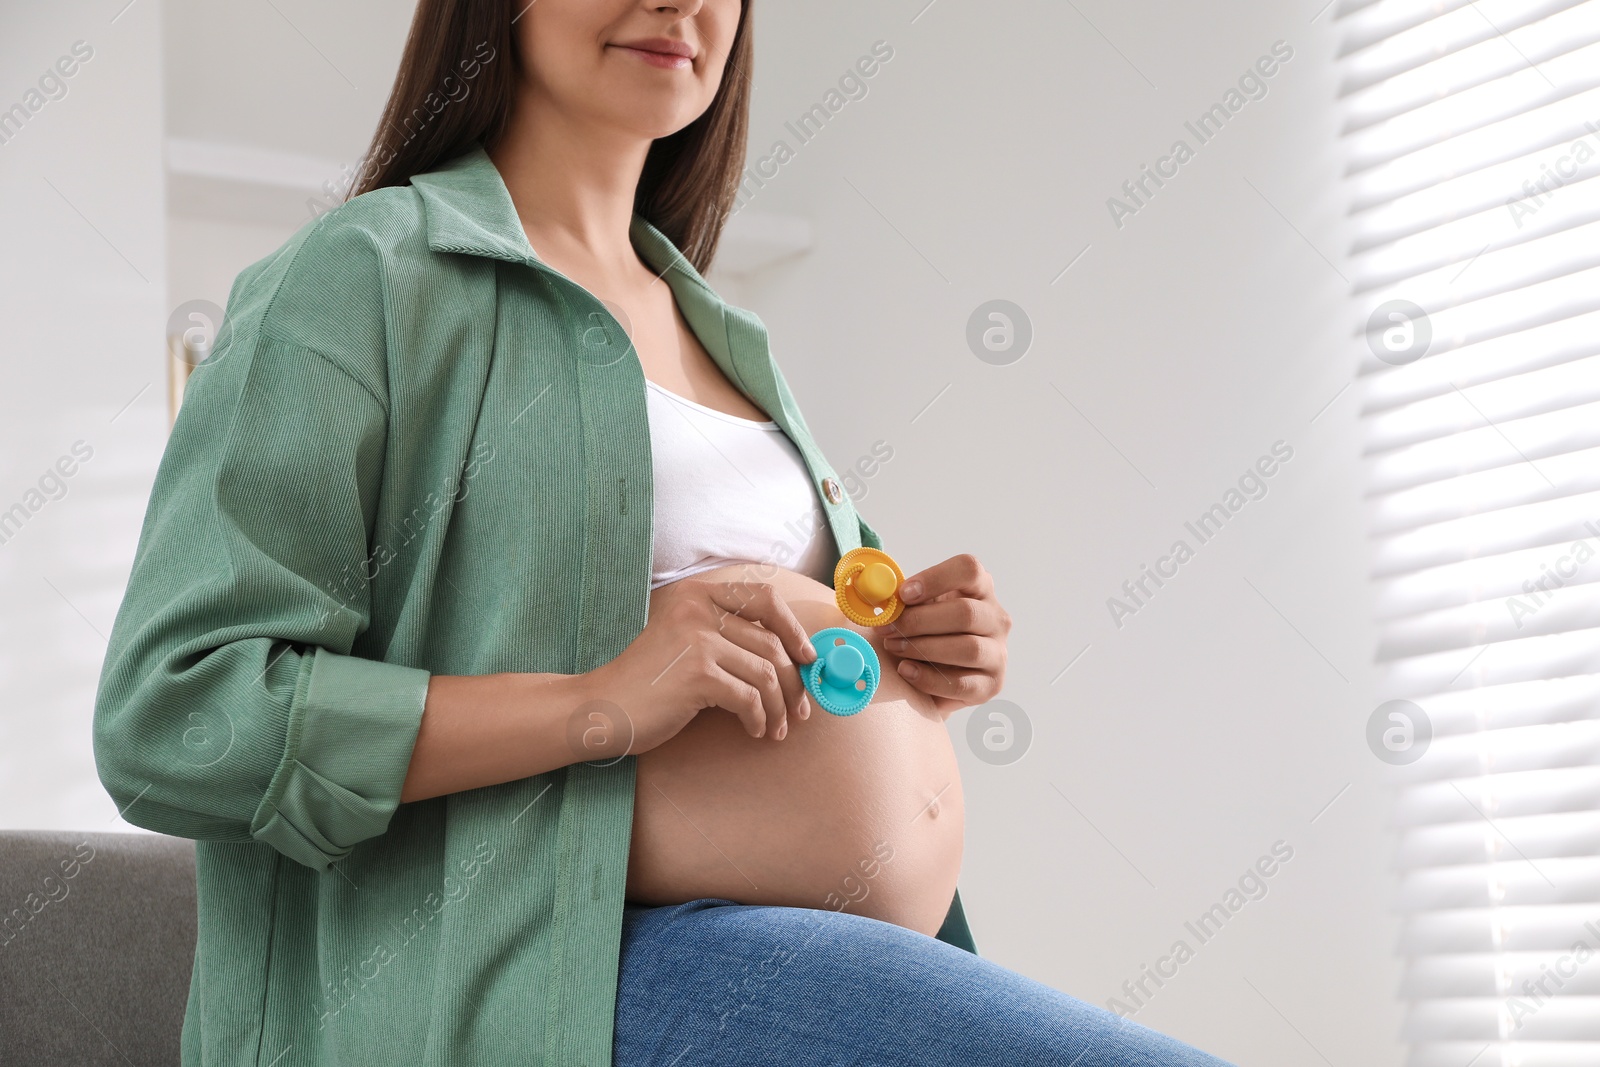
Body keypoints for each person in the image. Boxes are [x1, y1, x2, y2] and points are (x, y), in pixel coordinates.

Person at [93, 1, 1233, 1063]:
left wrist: (919, 652)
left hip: (831, 946)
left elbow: (756, 667)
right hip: (567, 975)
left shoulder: (718, 329)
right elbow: (174, 712)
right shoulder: (360, 277)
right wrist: (603, 700)